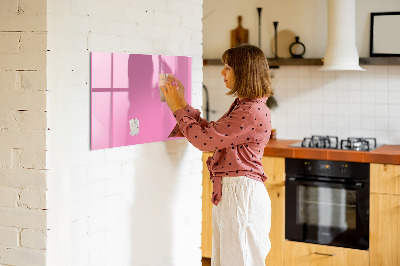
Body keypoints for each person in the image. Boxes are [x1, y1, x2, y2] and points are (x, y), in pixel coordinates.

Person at [161, 44, 273, 266]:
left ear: (244, 72)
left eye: (228, 67)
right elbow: (212, 133)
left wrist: (176, 108)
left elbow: (204, 141)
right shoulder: (246, 106)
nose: (222, 72)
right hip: (236, 193)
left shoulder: (250, 111)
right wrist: (182, 104)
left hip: (241, 195)